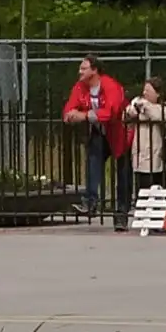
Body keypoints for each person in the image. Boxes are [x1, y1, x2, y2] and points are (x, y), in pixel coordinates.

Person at [62, 54, 130, 215]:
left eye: (84, 68)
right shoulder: (80, 87)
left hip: (120, 131)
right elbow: (70, 107)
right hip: (99, 130)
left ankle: (122, 207)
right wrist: (69, 116)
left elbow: (111, 112)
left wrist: (84, 115)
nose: (80, 72)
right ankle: (90, 202)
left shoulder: (110, 86)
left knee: (123, 170)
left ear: (95, 70)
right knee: (93, 162)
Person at [126, 76, 166, 193]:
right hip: (140, 156)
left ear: (158, 93)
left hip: (157, 158)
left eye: (148, 91)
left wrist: (144, 106)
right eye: (144, 90)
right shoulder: (138, 103)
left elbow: (161, 116)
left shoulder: (164, 108)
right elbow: (128, 114)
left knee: (158, 191)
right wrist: (132, 110)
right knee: (142, 191)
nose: (144, 93)